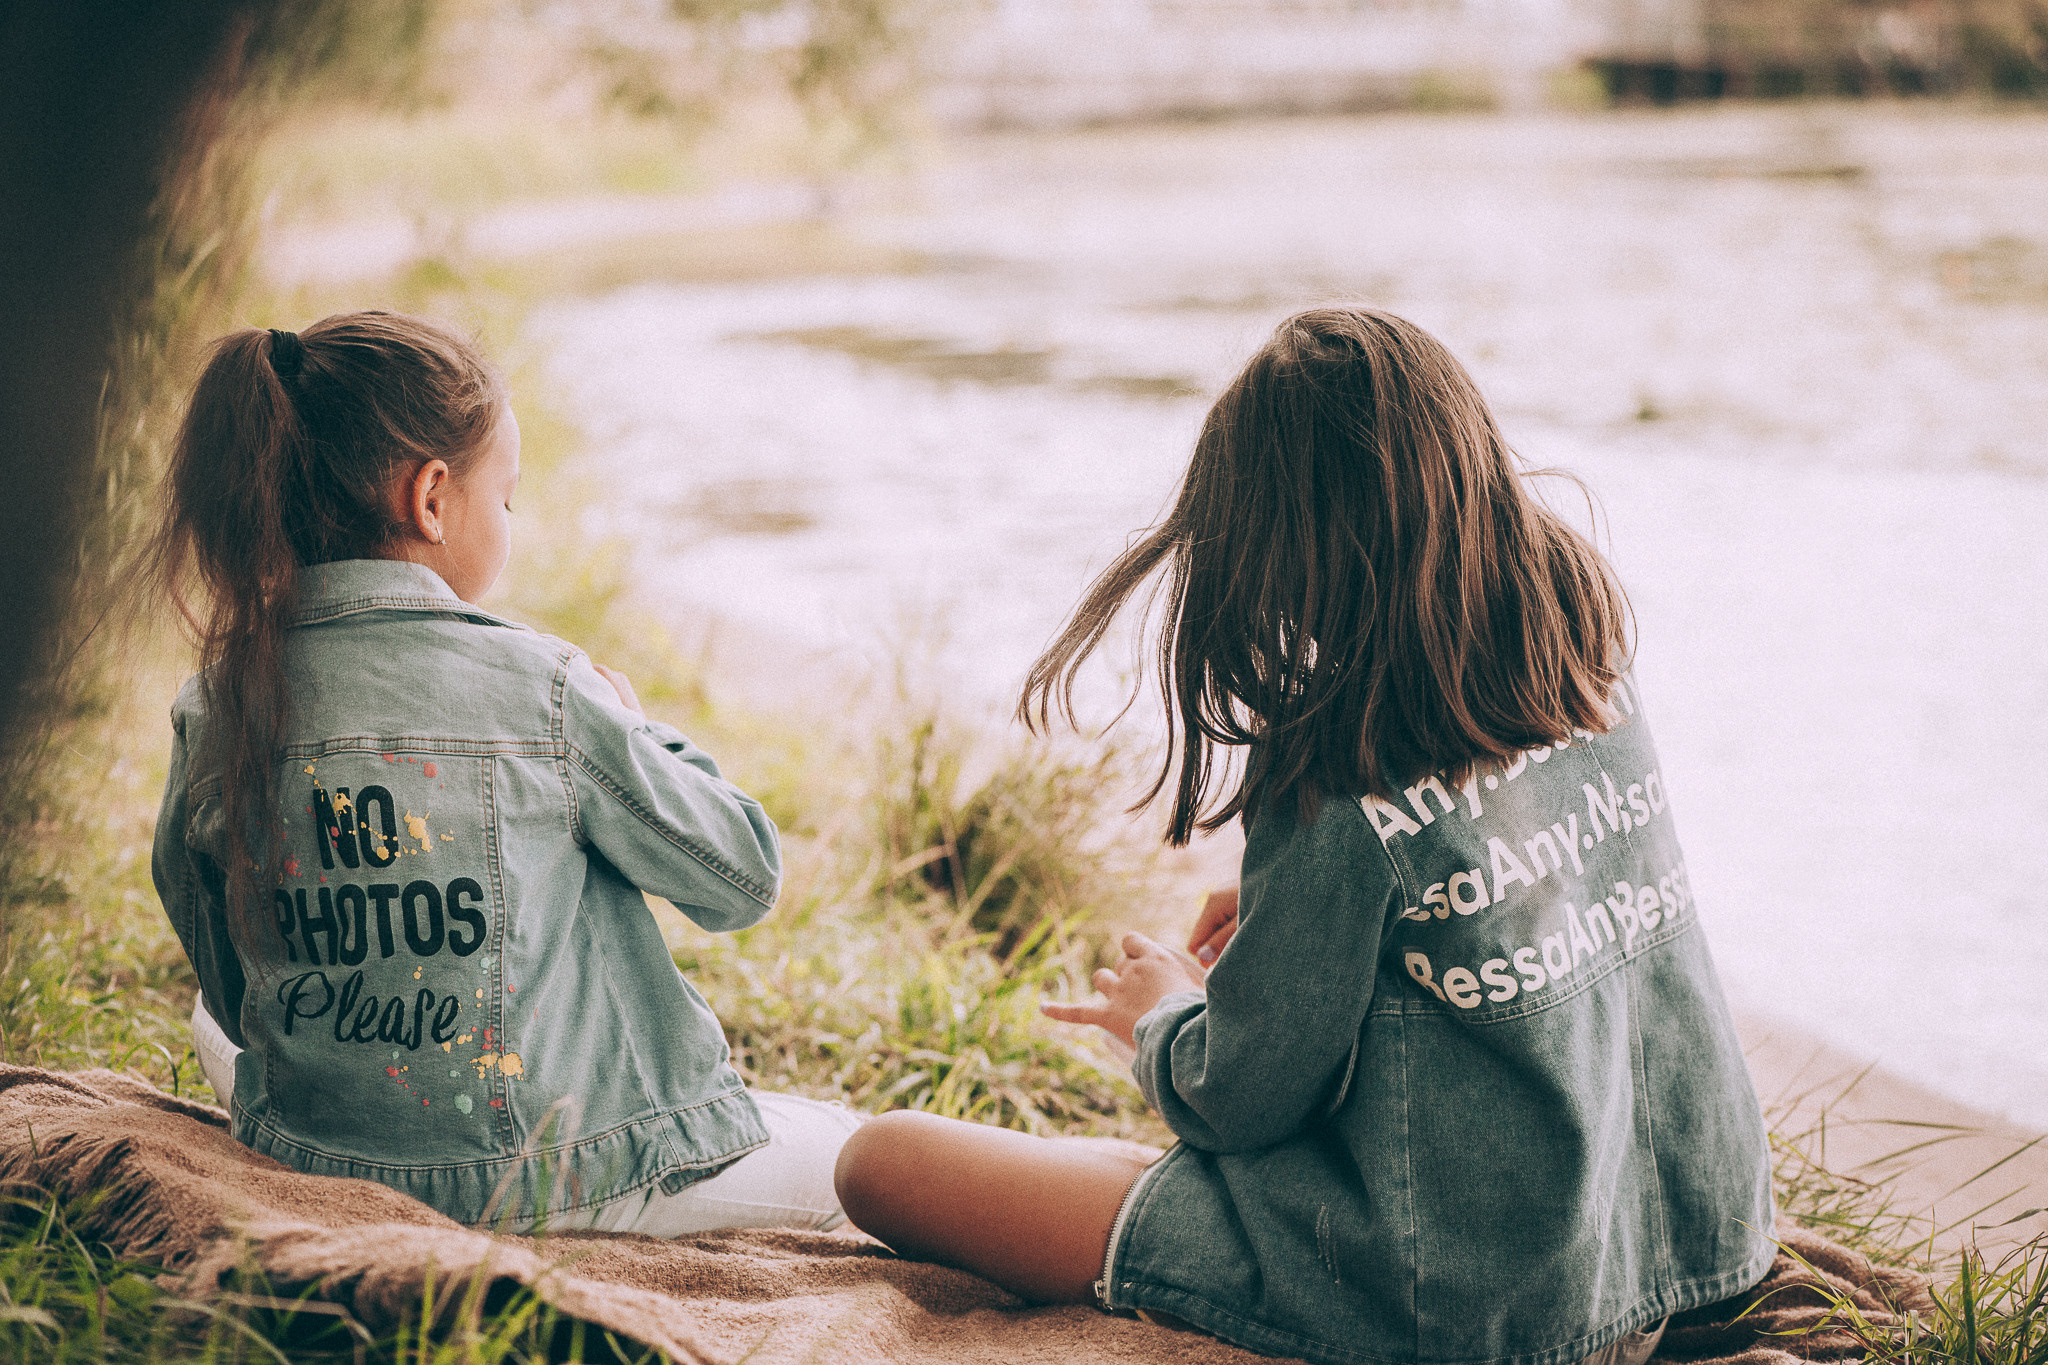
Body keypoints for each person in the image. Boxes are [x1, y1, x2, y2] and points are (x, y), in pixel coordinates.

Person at [832, 308, 1775, 1365]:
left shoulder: (1338, 772)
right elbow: (1509, 885)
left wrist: (1161, 1019)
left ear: (1273, 552)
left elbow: (1234, 1101)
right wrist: (1304, 916)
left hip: (1472, 1306)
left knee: (880, 1162)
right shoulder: (1575, 633)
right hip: (1697, 1246)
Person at [151, 311, 858, 1236]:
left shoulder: (212, 704)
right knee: (856, 1145)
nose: (511, 520)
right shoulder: (545, 688)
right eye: (509, 497)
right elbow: (743, 875)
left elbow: (224, 969)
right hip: (562, 1180)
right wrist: (638, 728)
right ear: (432, 497)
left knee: (213, 1016)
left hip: (317, 1164)